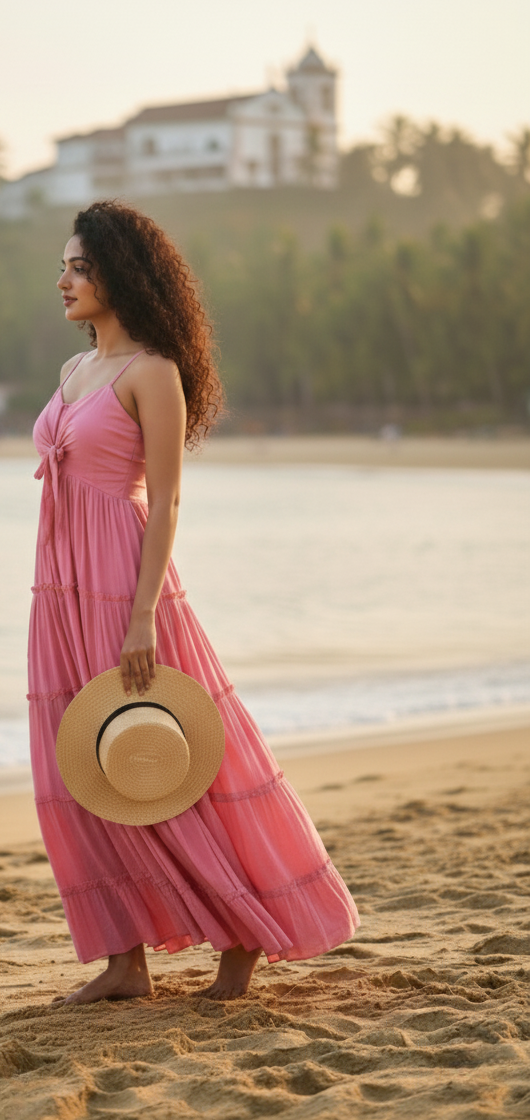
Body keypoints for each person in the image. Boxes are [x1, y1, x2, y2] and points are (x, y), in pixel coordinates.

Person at [29, 200, 358, 1005]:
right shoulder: (75, 373)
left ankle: (245, 935)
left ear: (121, 276)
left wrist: (142, 614)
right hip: (59, 590)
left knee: (177, 759)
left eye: (81, 266)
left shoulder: (154, 373)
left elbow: (166, 502)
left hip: (125, 584)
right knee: (85, 767)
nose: (64, 280)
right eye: (64, 266)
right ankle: (124, 960)